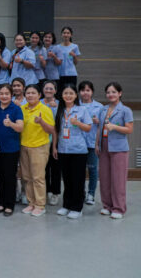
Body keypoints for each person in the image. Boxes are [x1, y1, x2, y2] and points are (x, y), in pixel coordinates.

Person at [53, 85, 92, 219]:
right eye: (65, 93)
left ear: (76, 95)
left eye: (71, 93)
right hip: (63, 149)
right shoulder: (60, 110)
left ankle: (77, 207)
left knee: (77, 180)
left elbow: (88, 128)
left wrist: (78, 123)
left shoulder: (82, 110)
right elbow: (56, 130)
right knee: (67, 179)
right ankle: (66, 205)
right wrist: (54, 147)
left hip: (78, 150)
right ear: (62, 95)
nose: (68, 96)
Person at [96, 82, 134, 219]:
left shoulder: (125, 110)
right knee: (104, 178)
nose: (110, 94)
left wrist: (114, 127)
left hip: (119, 148)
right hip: (104, 146)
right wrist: (97, 144)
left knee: (118, 179)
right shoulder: (103, 109)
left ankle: (118, 208)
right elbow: (99, 128)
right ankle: (107, 205)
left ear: (120, 93)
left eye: (113, 92)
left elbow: (129, 129)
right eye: (108, 92)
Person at [19, 84, 55, 217]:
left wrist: (41, 122)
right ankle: (31, 202)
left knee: (38, 177)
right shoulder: (22, 108)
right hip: (24, 145)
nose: (30, 95)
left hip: (39, 146)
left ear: (39, 95)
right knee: (27, 177)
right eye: (28, 93)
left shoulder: (45, 109)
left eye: (33, 93)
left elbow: (51, 130)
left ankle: (40, 205)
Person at [0, 84, 24, 216]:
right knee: (0, 177)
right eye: (1, 93)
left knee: (9, 177)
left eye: (7, 94)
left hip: (11, 149)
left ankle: (10, 205)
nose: (4, 96)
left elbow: (20, 127)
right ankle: (2, 203)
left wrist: (11, 124)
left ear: (11, 95)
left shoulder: (16, 109)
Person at [78, 80, 103, 205]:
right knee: (79, 171)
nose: (85, 93)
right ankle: (80, 193)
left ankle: (91, 194)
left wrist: (99, 122)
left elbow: (105, 125)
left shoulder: (99, 107)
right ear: (79, 92)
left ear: (92, 92)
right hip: (78, 143)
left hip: (93, 143)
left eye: (88, 90)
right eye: (83, 90)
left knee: (93, 169)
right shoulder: (75, 105)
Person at [42, 80, 61, 206]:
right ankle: (46, 191)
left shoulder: (60, 104)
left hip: (55, 139)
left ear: (55, 91)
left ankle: (55, 192)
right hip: (40, 140)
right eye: (46, 88)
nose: (48, 90)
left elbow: (57, 124)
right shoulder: (38, 102)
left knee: (55, 168)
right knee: (43, 168)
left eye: (51, 88)